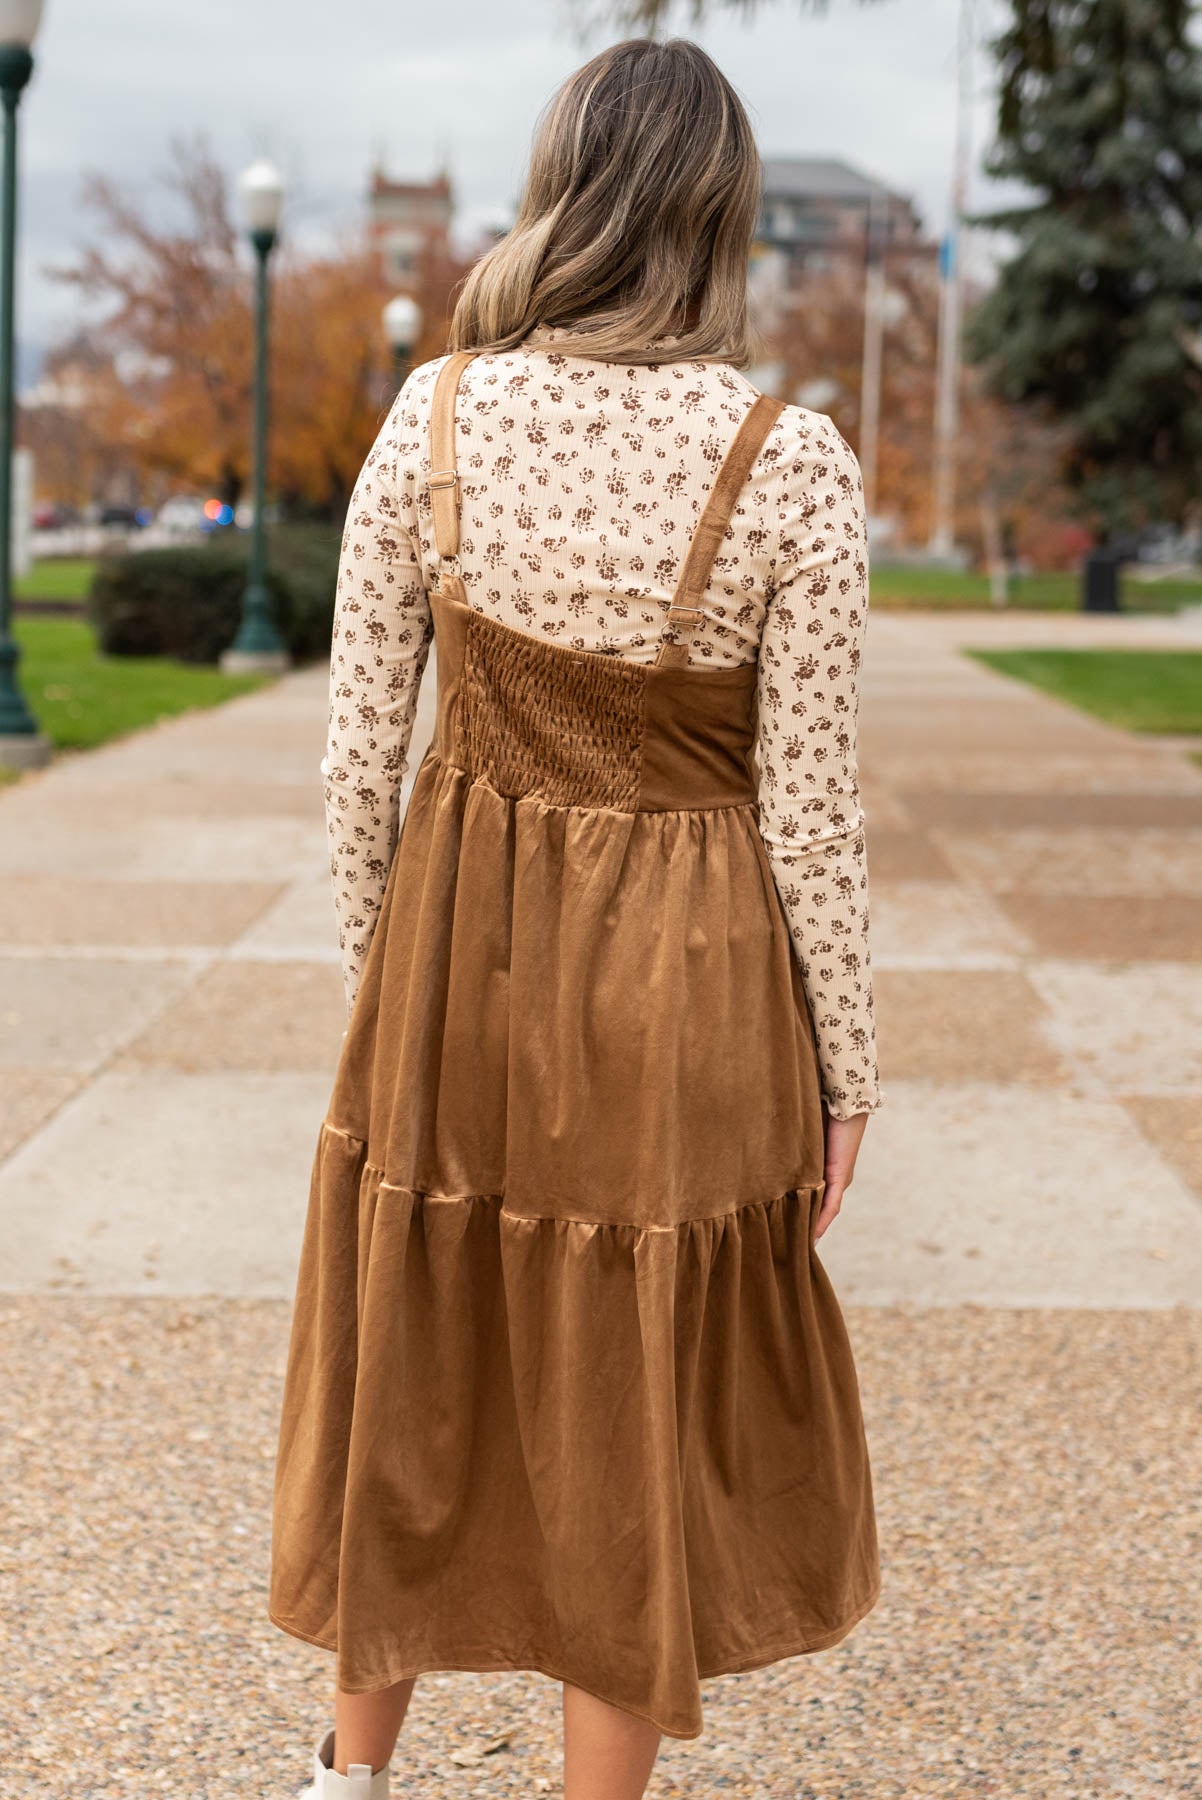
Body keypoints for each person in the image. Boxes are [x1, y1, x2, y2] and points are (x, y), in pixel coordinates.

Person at [269, 35, 884, 1800]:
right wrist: (848, 1072)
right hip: (685, 977)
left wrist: (386, 986)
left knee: (418, 1336)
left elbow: (354, 755)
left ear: (563, 191)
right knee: (632, 1389)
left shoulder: (435, 413)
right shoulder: (791, 460)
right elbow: (811, 815)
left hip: (458, 952)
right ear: (719, 220)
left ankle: (346, 1777)